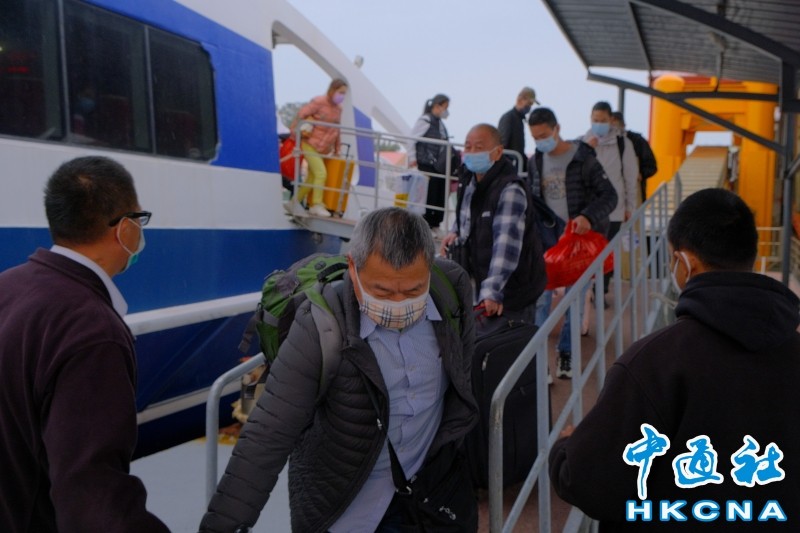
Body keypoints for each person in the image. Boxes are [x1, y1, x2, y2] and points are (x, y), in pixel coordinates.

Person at [200, 207, 479, 532]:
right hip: (346, 503)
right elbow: (269, 430)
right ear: (353, 269)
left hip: (432, 491)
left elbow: (461, 378)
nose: (399, 304)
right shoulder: (320, 324)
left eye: (413, 291)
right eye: (382, 291)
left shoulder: (451, 289)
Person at [549, 188, 800, 531]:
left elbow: (588, 483)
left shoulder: (651, 363)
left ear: (685, 264)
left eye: (671, 258)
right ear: (750, 259)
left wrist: (566, 447)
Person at [0, 156, 169, 532]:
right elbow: (92, 498)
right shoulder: (92, 330)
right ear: (124, 229)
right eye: (139, 220)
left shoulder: (7, 286)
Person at [528, 107, 618, 379]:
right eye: (535, 138)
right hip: (548, 239)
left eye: (544, 135)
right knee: (540, 300)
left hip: (577, 241)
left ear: (557, 129)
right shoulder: (536, 161)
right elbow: (534, 200)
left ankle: (566, 353)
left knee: (575, 300)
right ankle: (539, 361)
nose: (540, 142)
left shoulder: (583, 159)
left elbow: (609, 196)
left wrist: (588, 217)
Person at [440, 123, 547, 321]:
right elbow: (467, 214)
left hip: (514, 290)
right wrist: (455, 232)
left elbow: (505, 245)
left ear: (497, 152)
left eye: (479, 148)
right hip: (481, 280)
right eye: (468, 147)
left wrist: (491, 291)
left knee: (513, 338)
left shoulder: (510, 190)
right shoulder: (469, 179)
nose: (471, 153)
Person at [583, 101, 638, 302]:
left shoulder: (623, 144)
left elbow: (630, 177)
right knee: (588, 253)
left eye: (602, 120)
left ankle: (601, 292)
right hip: (589, 210)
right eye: (595, 120)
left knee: (607, 252)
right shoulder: (583, 142)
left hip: (614, 209)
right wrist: (586, 150)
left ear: (611, 120)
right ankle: (587, 290)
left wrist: (630, 207)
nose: (598, 124)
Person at [285, 78, 348, 218]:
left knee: (312, 178)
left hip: (323, 148)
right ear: (332, 90)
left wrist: (337, 149)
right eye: (340, 92)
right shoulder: (319, 101)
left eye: (344, 94)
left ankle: (293, 202)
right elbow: (301, 114)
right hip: (310, 143)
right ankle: (316, 204)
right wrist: (295, 133)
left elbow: (337, 131)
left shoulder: (339, 109)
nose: (342, 96)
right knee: (321, 174)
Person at [409, 93, 457, 232]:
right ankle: (427, 223)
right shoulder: (425, 120)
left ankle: (435, 223)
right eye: (445, 107)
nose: (446, 111)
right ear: (437, 106)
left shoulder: (439, 123)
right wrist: (412, 158)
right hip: (427, 163)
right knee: (431, 193)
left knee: (441, 193)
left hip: (439, 165)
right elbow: (412, 139)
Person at [611, 111, 658, 202]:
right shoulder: (603, 144)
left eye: (614, 124)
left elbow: (651, 166)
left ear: (623, 125)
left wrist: (641, 174)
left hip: (634, 193)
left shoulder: (637, 141)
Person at [497, 86, 538, 172]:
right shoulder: (509, 118)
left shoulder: (519, 119)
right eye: (528, 103)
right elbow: (502, 145)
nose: (529, 107)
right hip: (511, 167)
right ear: (520, 99)